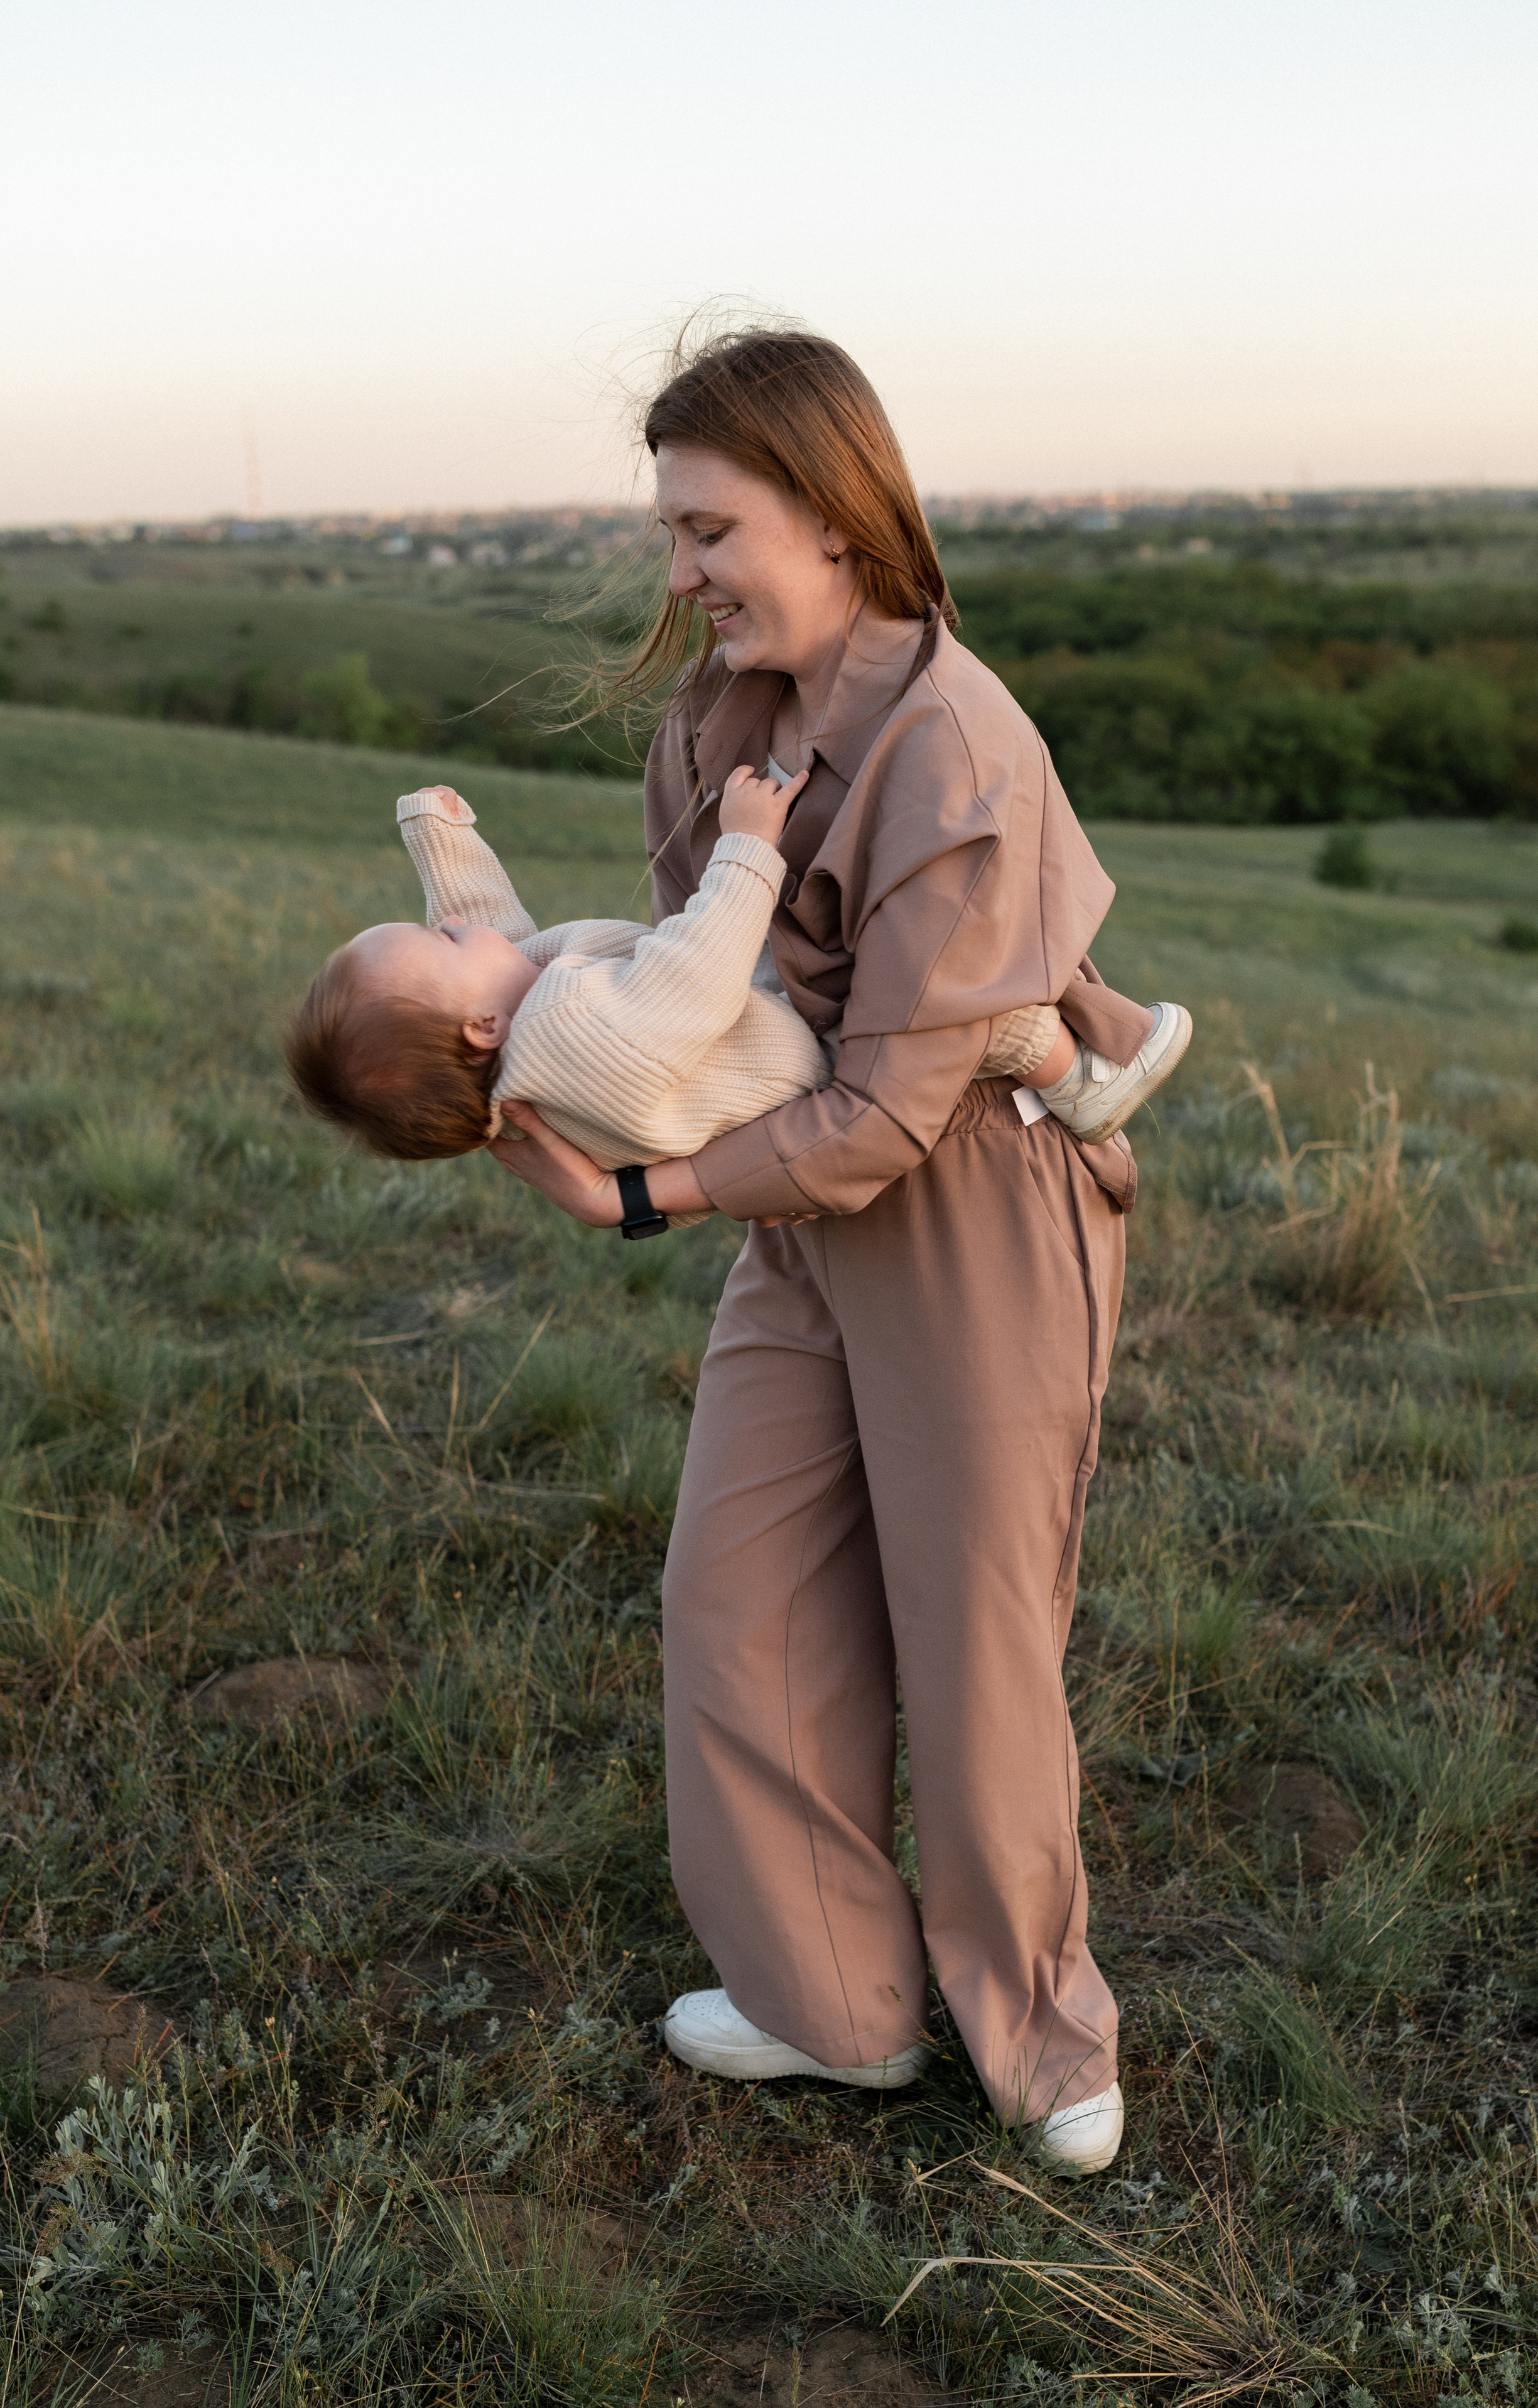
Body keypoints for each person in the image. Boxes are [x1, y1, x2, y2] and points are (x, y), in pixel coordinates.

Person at [444, 326, 1178, 2176]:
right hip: (799, 1208)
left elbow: (880, 1117)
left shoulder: (958, 746)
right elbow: (724, 1000)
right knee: (739, 1590)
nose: (681, 574)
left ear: (839, 520)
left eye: (711, 529)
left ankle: (1041, 2036)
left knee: (973, 1637)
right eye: (673, 534)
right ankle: (829, 2001)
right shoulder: (713, 721)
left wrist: (632, 1198)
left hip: (970, 1215)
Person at [284, 779, 1188, 1180]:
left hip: (771, 1019)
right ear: (480, 1028)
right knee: (944, 989)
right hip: (812, 1052)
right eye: (438, 939)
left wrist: (439, 837)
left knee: (932, 962)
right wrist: (747, 843)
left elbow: (499, 937)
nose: (455, 923)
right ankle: (1081, 1073)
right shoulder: (563, 1034)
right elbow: (696, 977)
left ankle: (1075, 1055)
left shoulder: (526, 1027)